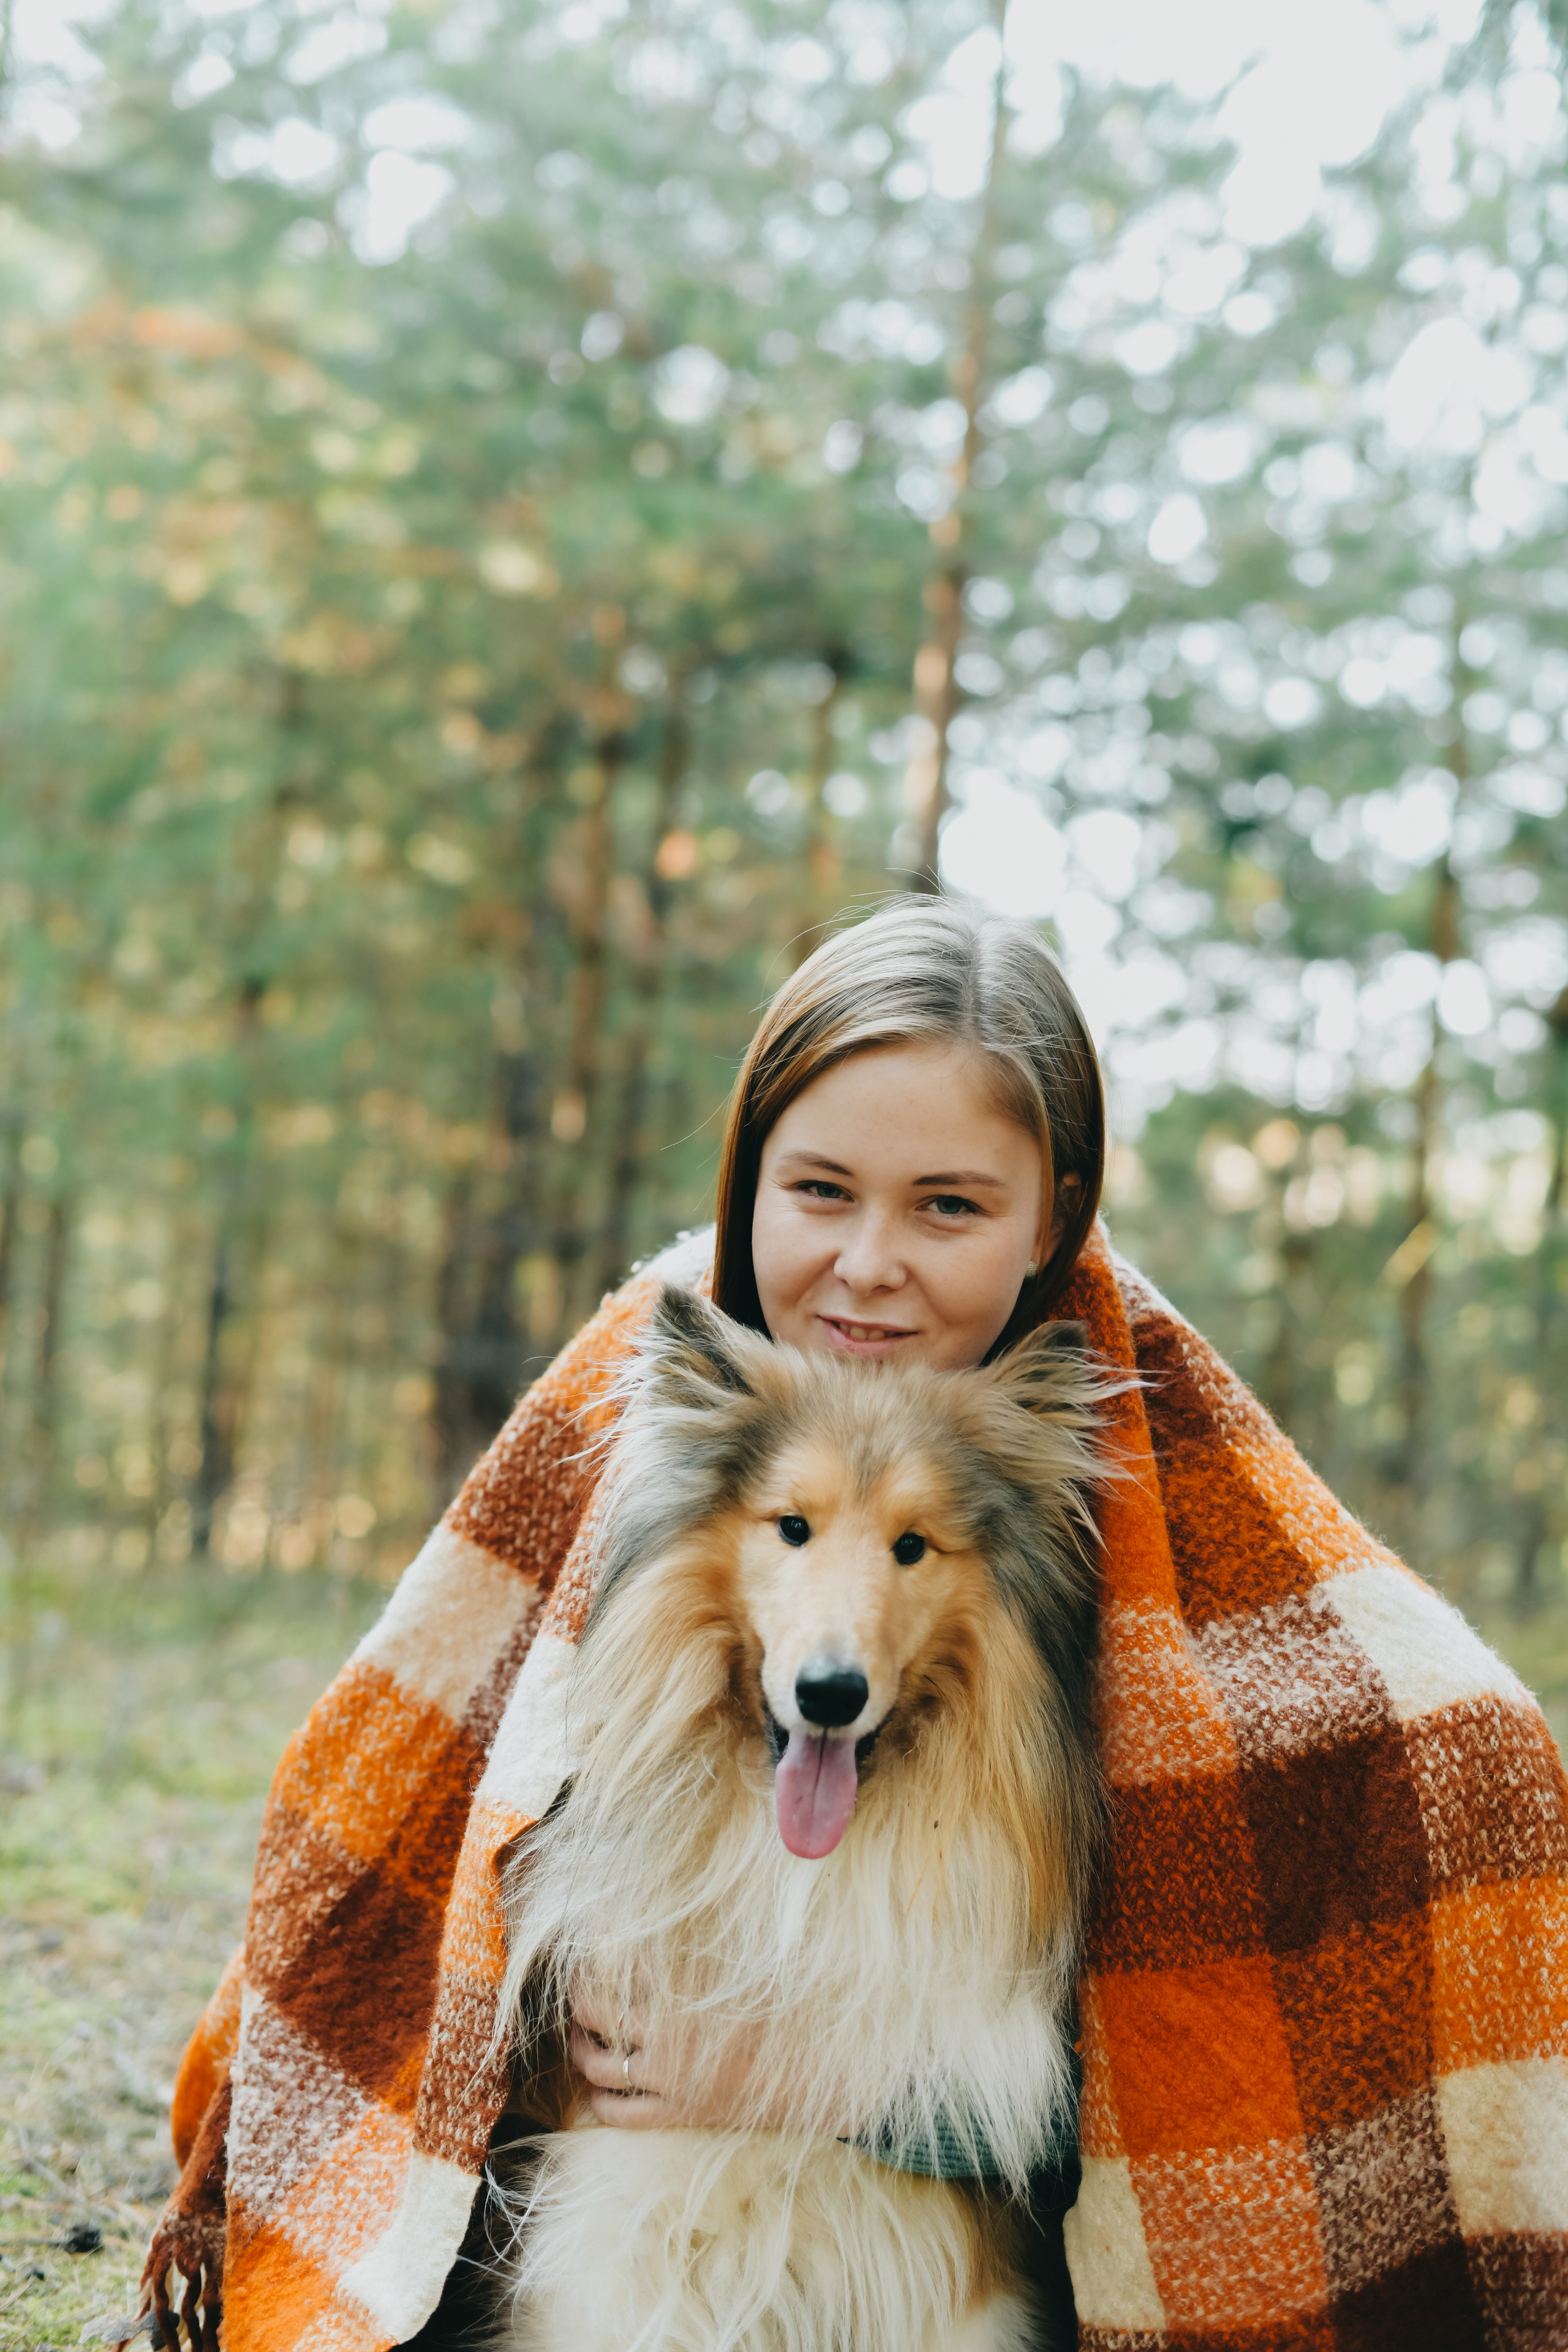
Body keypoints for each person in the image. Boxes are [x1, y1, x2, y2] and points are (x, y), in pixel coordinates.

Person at [143, 900, 1568, 2352]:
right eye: (819, 1190)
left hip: (988, 2224)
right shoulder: (658, 1365)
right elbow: (408, 1812)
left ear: (1050, 1215)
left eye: (946, 1205)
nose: (869, 1265)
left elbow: (1315, 1963)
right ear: (746, 1177)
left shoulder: (1153, 1452)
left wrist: (843, 2092)